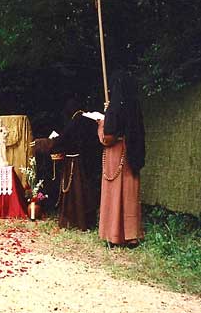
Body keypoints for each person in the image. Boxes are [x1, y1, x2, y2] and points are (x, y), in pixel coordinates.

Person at [32, 98, 99, 230]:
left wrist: (42, 143)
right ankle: (87, 220)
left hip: (75, 162)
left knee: (76, 191)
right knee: (85, 190)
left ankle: (76, 220)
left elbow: (63, 140)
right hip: (87, 161)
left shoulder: (76, 121)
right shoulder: (87, 120)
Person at [97, 70, 145, 246]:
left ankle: (114, 234)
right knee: (129, 194)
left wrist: (102, 120)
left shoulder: (115, 107)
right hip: (132, 152)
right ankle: (132, 235)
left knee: (115, 193)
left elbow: (107, 137)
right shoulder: (135, 105)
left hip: (117, 154)